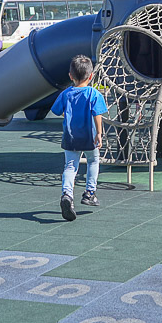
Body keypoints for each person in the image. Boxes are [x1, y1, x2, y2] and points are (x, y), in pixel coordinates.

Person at [50, 55, 108, 221]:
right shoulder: (94, 94)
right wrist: (99, 133)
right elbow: (97, 114)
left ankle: (67, 194)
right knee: (93, 161)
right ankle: (89, 193)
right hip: (89, 136)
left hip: (70, 136)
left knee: (70, 166)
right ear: (90, 76)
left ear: (70, 76)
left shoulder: (66, 94)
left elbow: (57, 110)